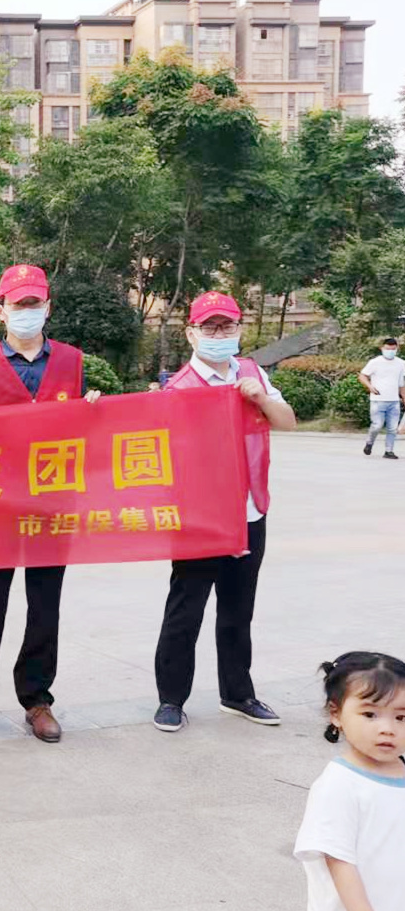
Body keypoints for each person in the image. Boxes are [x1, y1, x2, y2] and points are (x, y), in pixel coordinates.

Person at [0, 264, 101, 744]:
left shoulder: (72, 361)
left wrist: (94, 411)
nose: (27, 311)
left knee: (44, 605)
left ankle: (37, 699)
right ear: (1, 311)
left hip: (52, 504)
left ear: (47, 307)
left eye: (34, 303)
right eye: (18, 304)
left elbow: (81, 432)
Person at [151, 291, 296, 732]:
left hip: (250, 512)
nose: (218, 334)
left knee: (238, 608)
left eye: (226, 326)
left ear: (239, 329)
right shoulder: (178, 389)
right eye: (209, 327)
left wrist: (261, 399)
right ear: (191, 333)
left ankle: (237, 694)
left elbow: (287, 421)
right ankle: (171, 699)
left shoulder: (252, 373)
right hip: (201, 520)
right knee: (185, 609)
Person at [294, 652, 405, 911]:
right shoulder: (339, 786)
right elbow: (340, 861)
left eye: (401, 717)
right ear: (336, 714)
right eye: (370, 714)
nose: (388, 728)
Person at [359, 337, 404, 459]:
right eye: (388, 349)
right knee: (377, 425)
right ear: (382, 348)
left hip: (394, 401)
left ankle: (389, 451)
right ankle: (369, 442)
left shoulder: (401, 364)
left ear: (397, 348)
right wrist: (370, 386)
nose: (390, 351)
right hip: (378, 400)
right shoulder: (375, 362)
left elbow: (401, 384)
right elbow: (362, 376)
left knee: (392, 428)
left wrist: (403, 398)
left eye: (393, 349)